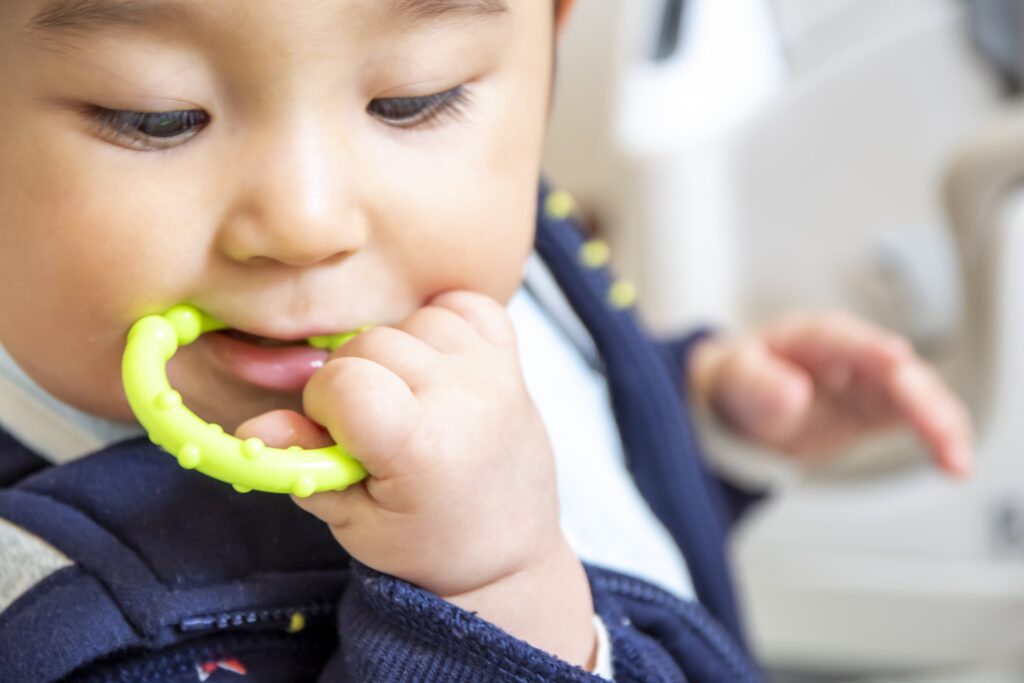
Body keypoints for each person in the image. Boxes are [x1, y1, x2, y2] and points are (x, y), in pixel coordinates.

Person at [0, 0, 973, 680]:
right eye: (158, 117)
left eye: (411, 100)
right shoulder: (69, 613)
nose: (305, 220)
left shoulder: (502, 241)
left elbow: (570, 413)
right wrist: (486, 593)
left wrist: (696, 412)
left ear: (546, 42)